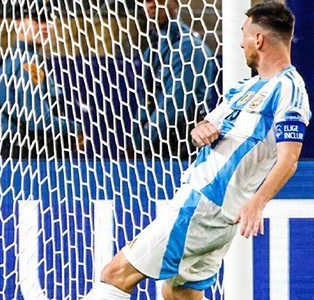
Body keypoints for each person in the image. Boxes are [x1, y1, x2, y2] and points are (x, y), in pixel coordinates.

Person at [85, 2, 310, 299]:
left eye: (244, 34)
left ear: (259, 40)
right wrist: (200, 129)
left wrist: (257, 203)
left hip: (203, 206)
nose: (240, 42)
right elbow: (204, 127)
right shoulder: (246, 87)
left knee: (115, 275)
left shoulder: (290, 90)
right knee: (179, 294)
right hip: (213, 211)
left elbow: (289, 159)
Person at [0, 1, 84, 159]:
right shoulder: (27, 63)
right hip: (27, 154)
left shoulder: (28, 59)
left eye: (47, 20)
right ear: (18, 24)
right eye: (37, 20)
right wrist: (74, 128)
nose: (44, 26)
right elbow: (38, 118)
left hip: (25, 151)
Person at [130, 0, 213, 160]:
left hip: (181, 147)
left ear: (175, 4)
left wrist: (143, 142)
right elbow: (146, 99)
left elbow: (174, 105)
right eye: (147, 1)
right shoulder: (152, 49)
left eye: (159, 0)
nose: (152, 5)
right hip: (158, 145)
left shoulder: (188, 48)